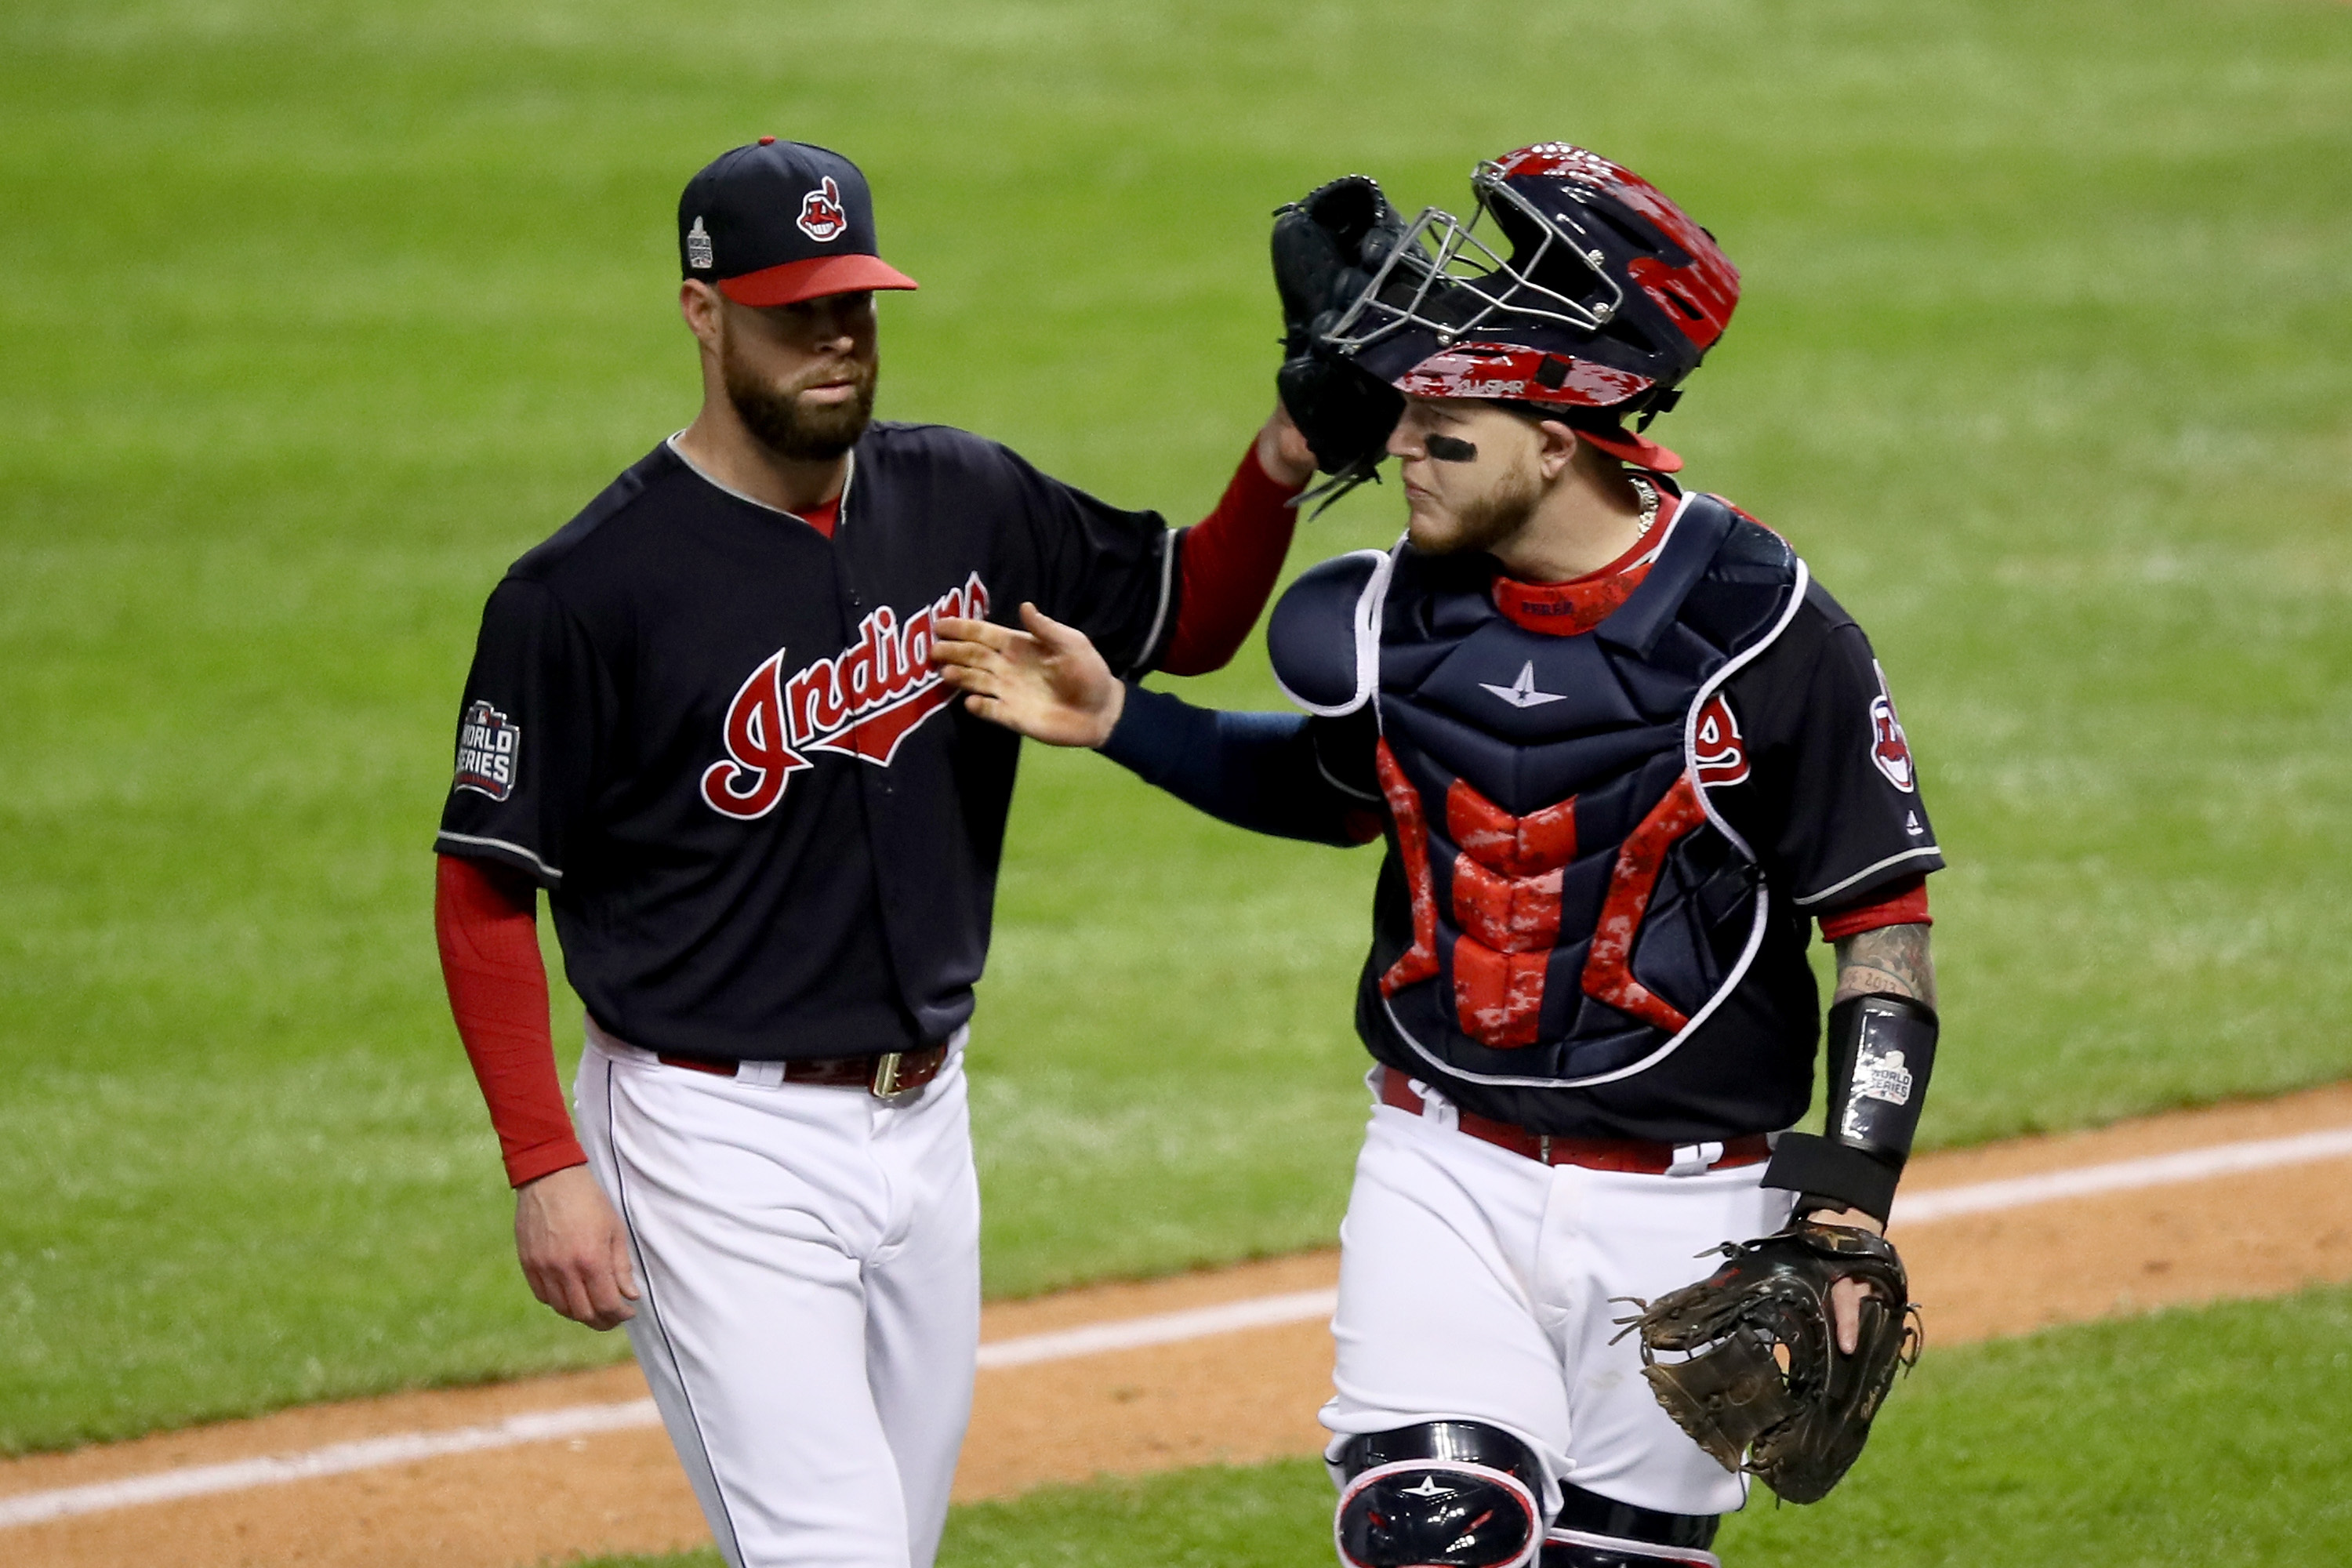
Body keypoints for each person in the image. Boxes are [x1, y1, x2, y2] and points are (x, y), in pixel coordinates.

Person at [932, 143, 1943, 1568]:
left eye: (1441, 422)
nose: (1398, 445)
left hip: (1692, 1208)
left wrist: (1849, 1200)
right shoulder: (1396, 607)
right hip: (1439, 1172)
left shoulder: (1767, 630)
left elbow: (1881, 922)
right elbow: (1340, 790)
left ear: (1560, 433)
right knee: (1431, 1540)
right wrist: (1123, 722)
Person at [430, 137, 1315, 1568]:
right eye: (795, 311)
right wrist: (544, 1162)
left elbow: (1188, 619)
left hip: (926, 1122)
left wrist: (1285, 455)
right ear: (702, 313)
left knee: (887, 1548)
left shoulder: (964, 496)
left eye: (854, 305)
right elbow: (482, 886)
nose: (835, 341)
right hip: (711, 1140)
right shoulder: (584, 592)